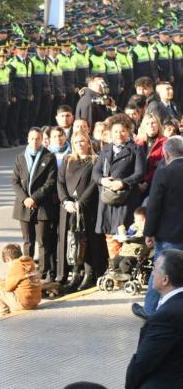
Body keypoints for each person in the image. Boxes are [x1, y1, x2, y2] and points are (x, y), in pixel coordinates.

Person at [135, 136, 183, 318]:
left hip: (169, 235)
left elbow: (154, 205)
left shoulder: (164, 172)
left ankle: (150, 310)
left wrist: (149, 232)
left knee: (162, 271)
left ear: (166, 153)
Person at [92, 115, 146, 268]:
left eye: (122, 131)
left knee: (124, 235)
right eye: (115, 131)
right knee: (109, 235)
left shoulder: (136, 149)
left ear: (129, 131)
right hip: (108, 198)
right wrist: (103, 181)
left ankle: (124, 270)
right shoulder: (106, 149)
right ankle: (114, 272)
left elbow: (140, 173)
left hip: (126, 199)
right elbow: (95, 173)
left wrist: (123, 183)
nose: (119, 134)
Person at [125, 249, 183, 389]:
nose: (152, 273)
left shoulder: (166, 317)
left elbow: (142, 362)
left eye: (155, 270)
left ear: (165, 280)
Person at [57, 131, 104, 290]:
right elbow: (60, 183)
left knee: (86, 240)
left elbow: (93, 184)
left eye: (82, 141)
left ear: (89, 143)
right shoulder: (67, 160)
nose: (80, 145)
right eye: (76, 142)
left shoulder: (95, 160)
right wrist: (65, 201)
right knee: (73, 241)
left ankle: (89, 274)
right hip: (69, 208)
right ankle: (75, 274)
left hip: (86, 207)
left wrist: (81, 203)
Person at [12, 127, 58, 280]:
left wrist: (35, 198)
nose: (35, 141)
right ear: (27, 139)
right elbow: (15, 181)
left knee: (42, 241)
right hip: (24, 205)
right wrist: (25, 198)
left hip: (42, 205)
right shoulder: (20, 157)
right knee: (27, 241)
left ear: (42, 139)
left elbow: (50, 182)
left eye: (38, 138)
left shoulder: (48, 157)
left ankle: (43, 272)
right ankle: (27, 271)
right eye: (32, 138)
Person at [0, 243, 41, 315]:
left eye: (7, 262)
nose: (8, 265)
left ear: (8, 259)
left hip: (24, 304)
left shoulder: (15, 265)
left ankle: (5, 313)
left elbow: (7, 288)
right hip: (35, 302)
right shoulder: (29, 263)